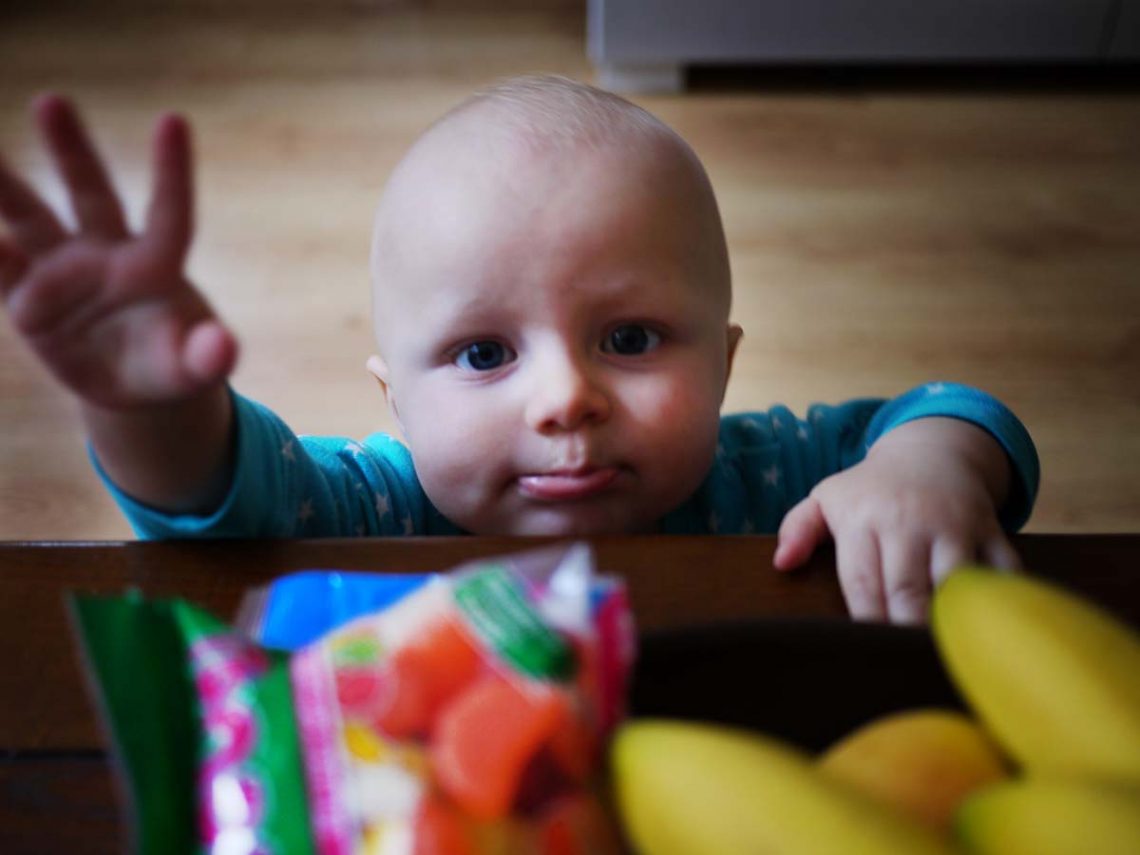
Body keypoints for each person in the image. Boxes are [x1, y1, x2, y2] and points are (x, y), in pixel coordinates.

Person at [0, 75, 1038, 624]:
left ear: (723, 365)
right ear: (395, 403)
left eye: (629, 339)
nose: (564, 399)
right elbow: (223, 500)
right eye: (484, 354)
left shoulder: (761, 477)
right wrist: (147, 408)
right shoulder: (381, 513)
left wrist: (924, 468)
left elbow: (947, 412)